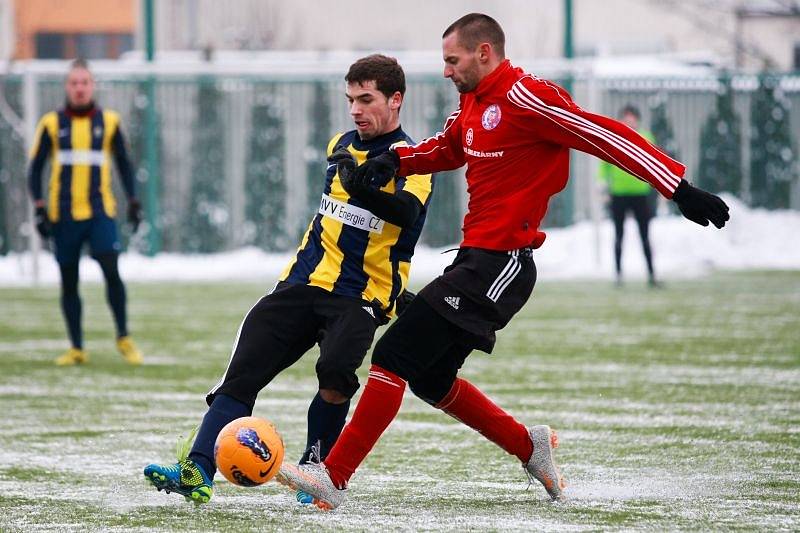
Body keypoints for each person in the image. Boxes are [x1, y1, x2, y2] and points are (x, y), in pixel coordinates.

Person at [276, 13, 729, 510]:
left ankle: (332, 480)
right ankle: (527, 446)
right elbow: (448, 148)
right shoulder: (471, 102)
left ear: (484, 52)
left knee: (393, 356)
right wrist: (396, 161)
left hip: (504, 263)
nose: (446, 71)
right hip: (476, 260)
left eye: (452, 60)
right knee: (430, 377)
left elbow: (601, 133)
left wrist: (678, 187)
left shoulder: (525, 96)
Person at [143, 54, 433, 505]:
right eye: (350, 99)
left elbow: (407, 214)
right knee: (242, 374)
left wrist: (363, 189)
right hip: (301, 283)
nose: (355, 109)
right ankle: (197, 469)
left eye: (366, 99)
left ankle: (315, 470)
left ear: (396, 100)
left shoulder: (414, 161)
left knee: (336, 373)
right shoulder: (340, 145)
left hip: (361, 296)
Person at [28, 59, 143, 366]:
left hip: (100, 212)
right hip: (63, 214)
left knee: (111, 271)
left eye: (84, 82)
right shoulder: (51, 124)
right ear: (67, 87)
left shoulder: (110, 122)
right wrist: (39, 208)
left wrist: (133, 200)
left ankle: (124, 337)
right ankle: (77, 347)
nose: (79, 88)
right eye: (74, 83)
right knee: (68, 280)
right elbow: (35, 168)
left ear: (92, 86)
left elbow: (124, 164)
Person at [599, 105, 659, 287]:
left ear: (638, 120)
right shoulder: (614, 136)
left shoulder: (646, 137)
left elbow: (655, 161)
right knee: (618, 235)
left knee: (645, 236)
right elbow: (605, 162)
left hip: (640, 194)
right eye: (626, 118)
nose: (630, 121)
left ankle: (651, 274)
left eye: (632, 117)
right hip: (618, 194)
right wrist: (602, 184)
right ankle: (618, 275)